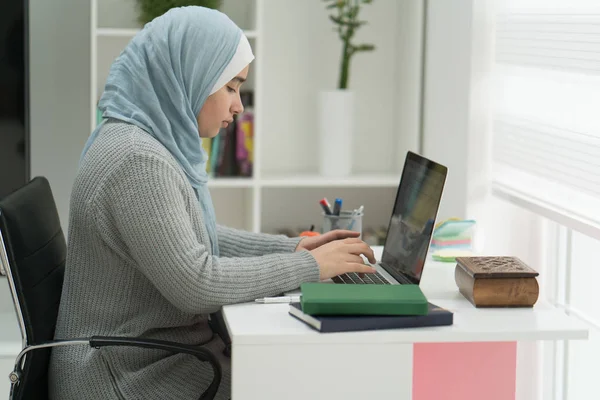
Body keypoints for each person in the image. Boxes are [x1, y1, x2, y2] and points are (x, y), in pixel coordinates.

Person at [48, 6, 377, 400]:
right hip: (126, 376)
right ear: (190, 75)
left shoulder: (145, 141)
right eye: (231, 87)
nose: (238, 106)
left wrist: (293, 247)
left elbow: (190, 237)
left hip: (148, 358)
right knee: (308, 382)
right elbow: (196, 284)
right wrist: (307, 267)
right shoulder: (137, 161)